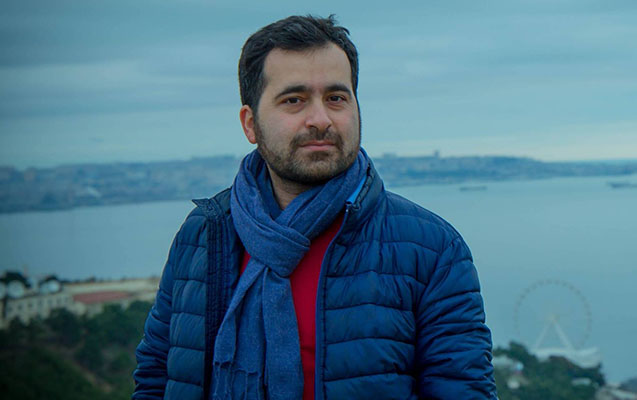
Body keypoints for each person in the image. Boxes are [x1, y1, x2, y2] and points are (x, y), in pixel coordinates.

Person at [133, 15, 496, 400]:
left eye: (336, 98)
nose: (320, 120)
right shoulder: (203, 235)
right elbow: (157, 378)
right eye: (294, 100)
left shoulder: (432, 250)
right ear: (250, 124)